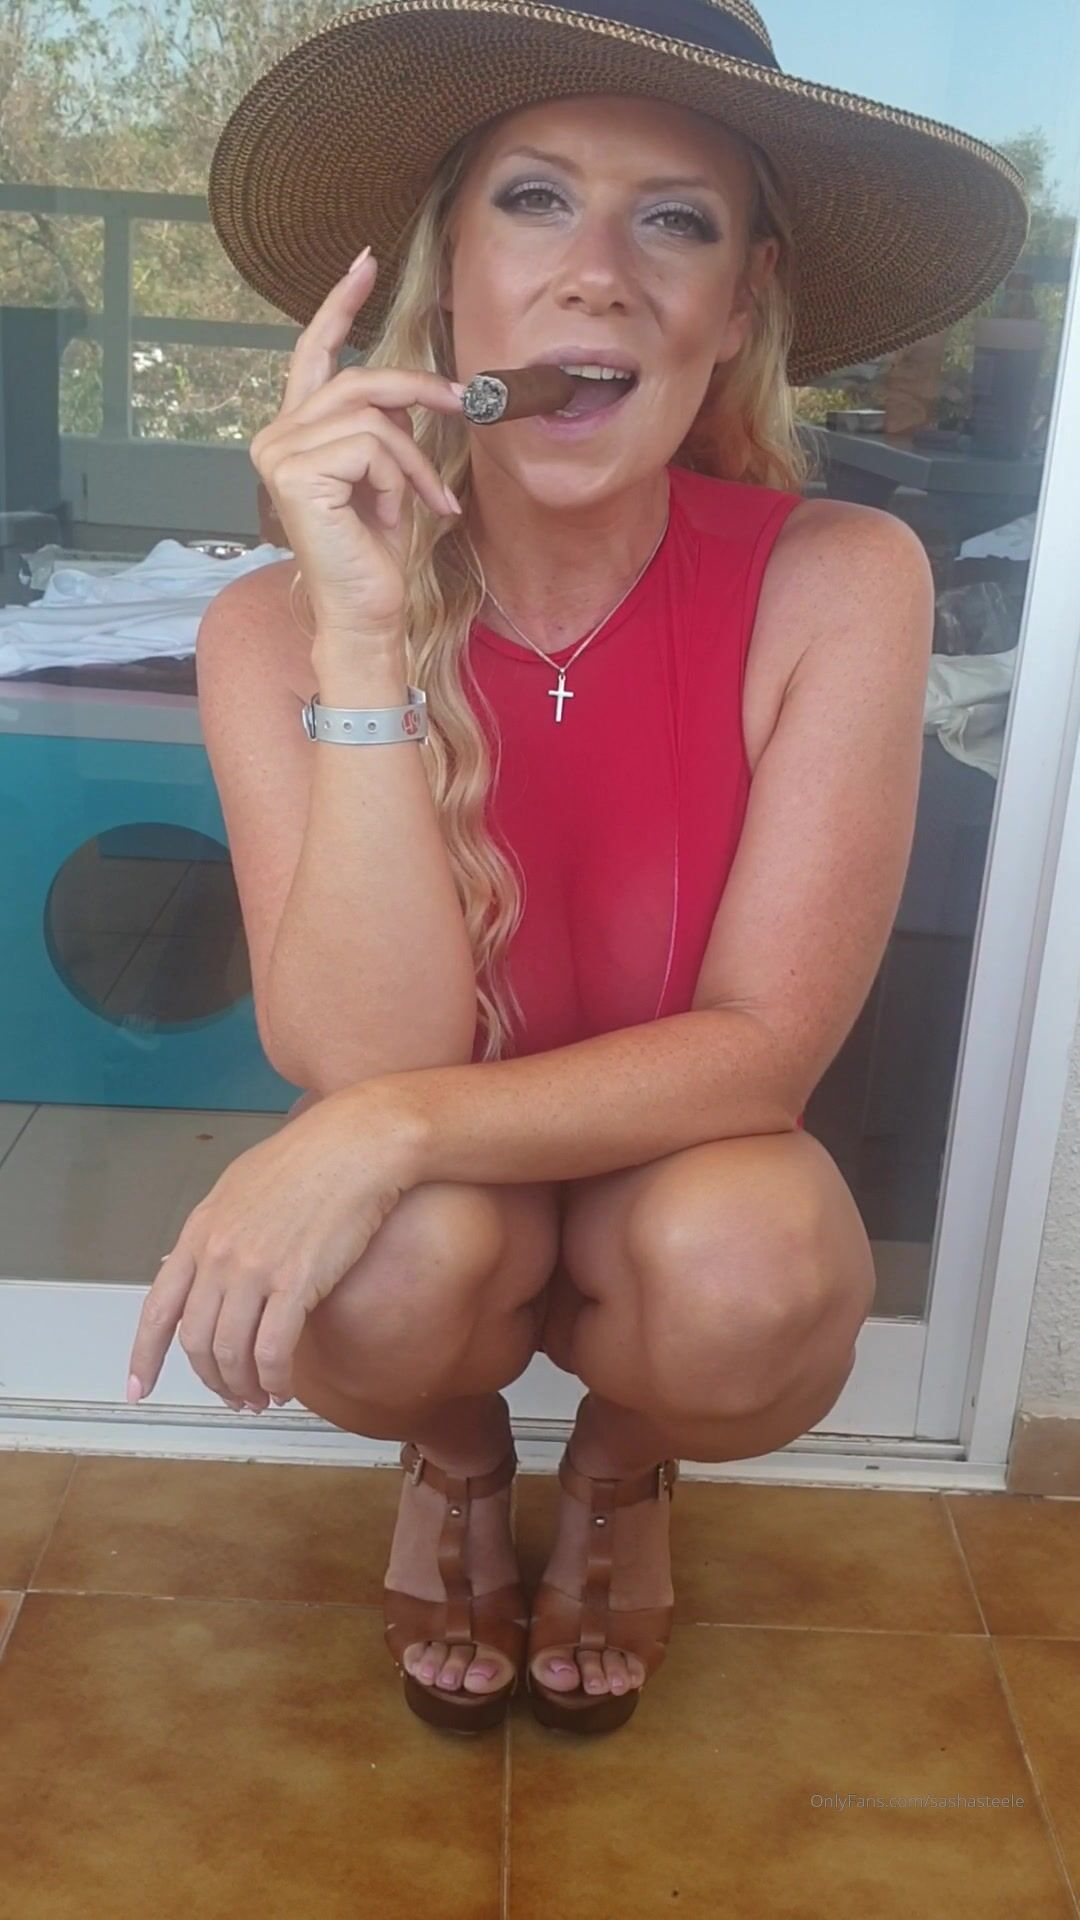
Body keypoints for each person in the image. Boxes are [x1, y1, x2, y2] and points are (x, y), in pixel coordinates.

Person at [126, 0, 1029, 1735]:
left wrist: (378, 1135)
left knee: (755, 1279)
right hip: (450, 1211)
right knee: (379, 1279)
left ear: (742, 301)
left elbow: (765, 1051)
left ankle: (620, 1465)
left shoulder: (845, 576)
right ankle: (455, 1449)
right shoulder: (272, 625)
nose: (598, 275)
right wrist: (364, 633)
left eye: (673, 220)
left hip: (681, 1163)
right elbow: (360, 1053)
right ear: (449, 281)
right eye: (535, 201)